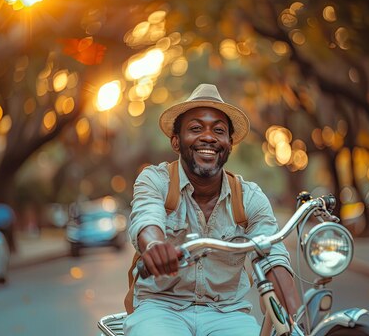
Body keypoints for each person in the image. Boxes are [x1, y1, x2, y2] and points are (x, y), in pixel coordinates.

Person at [125, 84, 301, 335]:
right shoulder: (155, 180)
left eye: (218, 131)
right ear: (176, 141)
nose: (208, 137)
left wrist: (295, 316)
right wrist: (154, 246)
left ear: (229, 143)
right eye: (195, 128)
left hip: (227, 313)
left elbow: (272, 253)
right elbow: (146, 218)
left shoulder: (249, 197)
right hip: (161, 308)